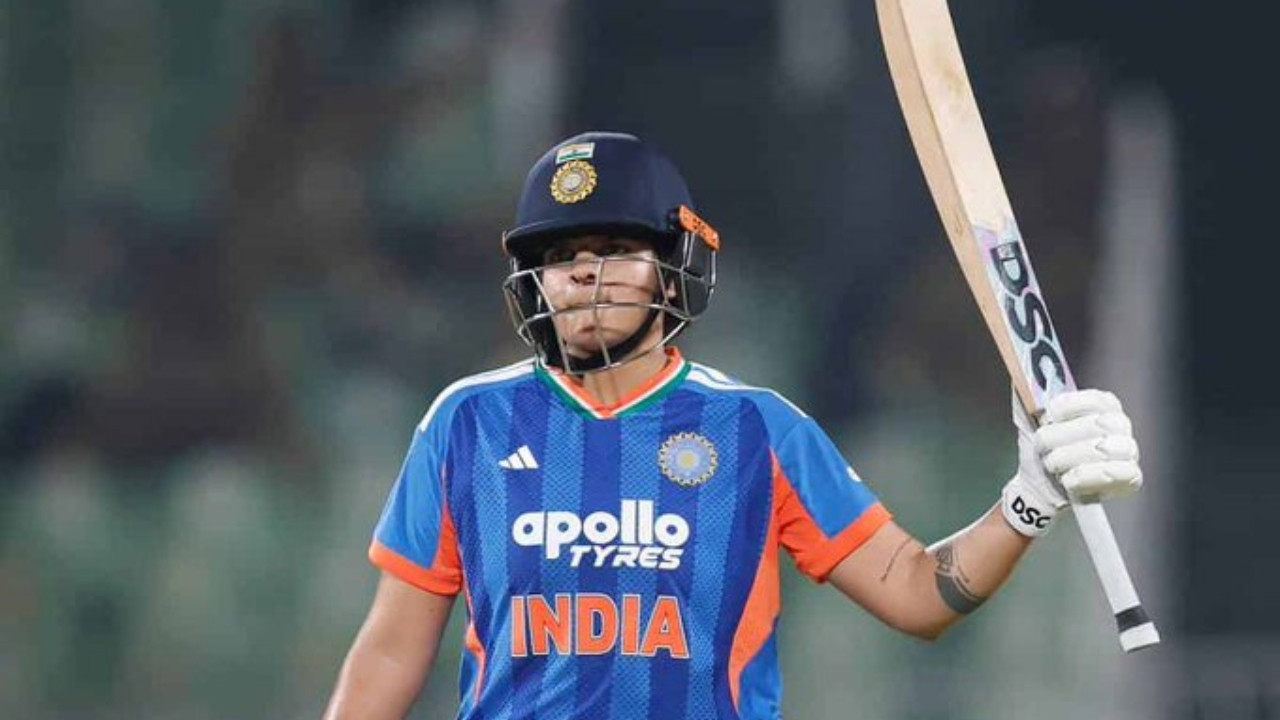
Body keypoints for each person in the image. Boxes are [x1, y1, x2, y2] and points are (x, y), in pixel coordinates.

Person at [321, 132, 1144, 720]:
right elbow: (391, 651)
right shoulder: (467, 423)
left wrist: (1028, 499)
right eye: (559, 255)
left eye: (613, 247)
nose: (581, 274)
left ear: (673, 267)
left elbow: (916, 593)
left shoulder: (757, 430)